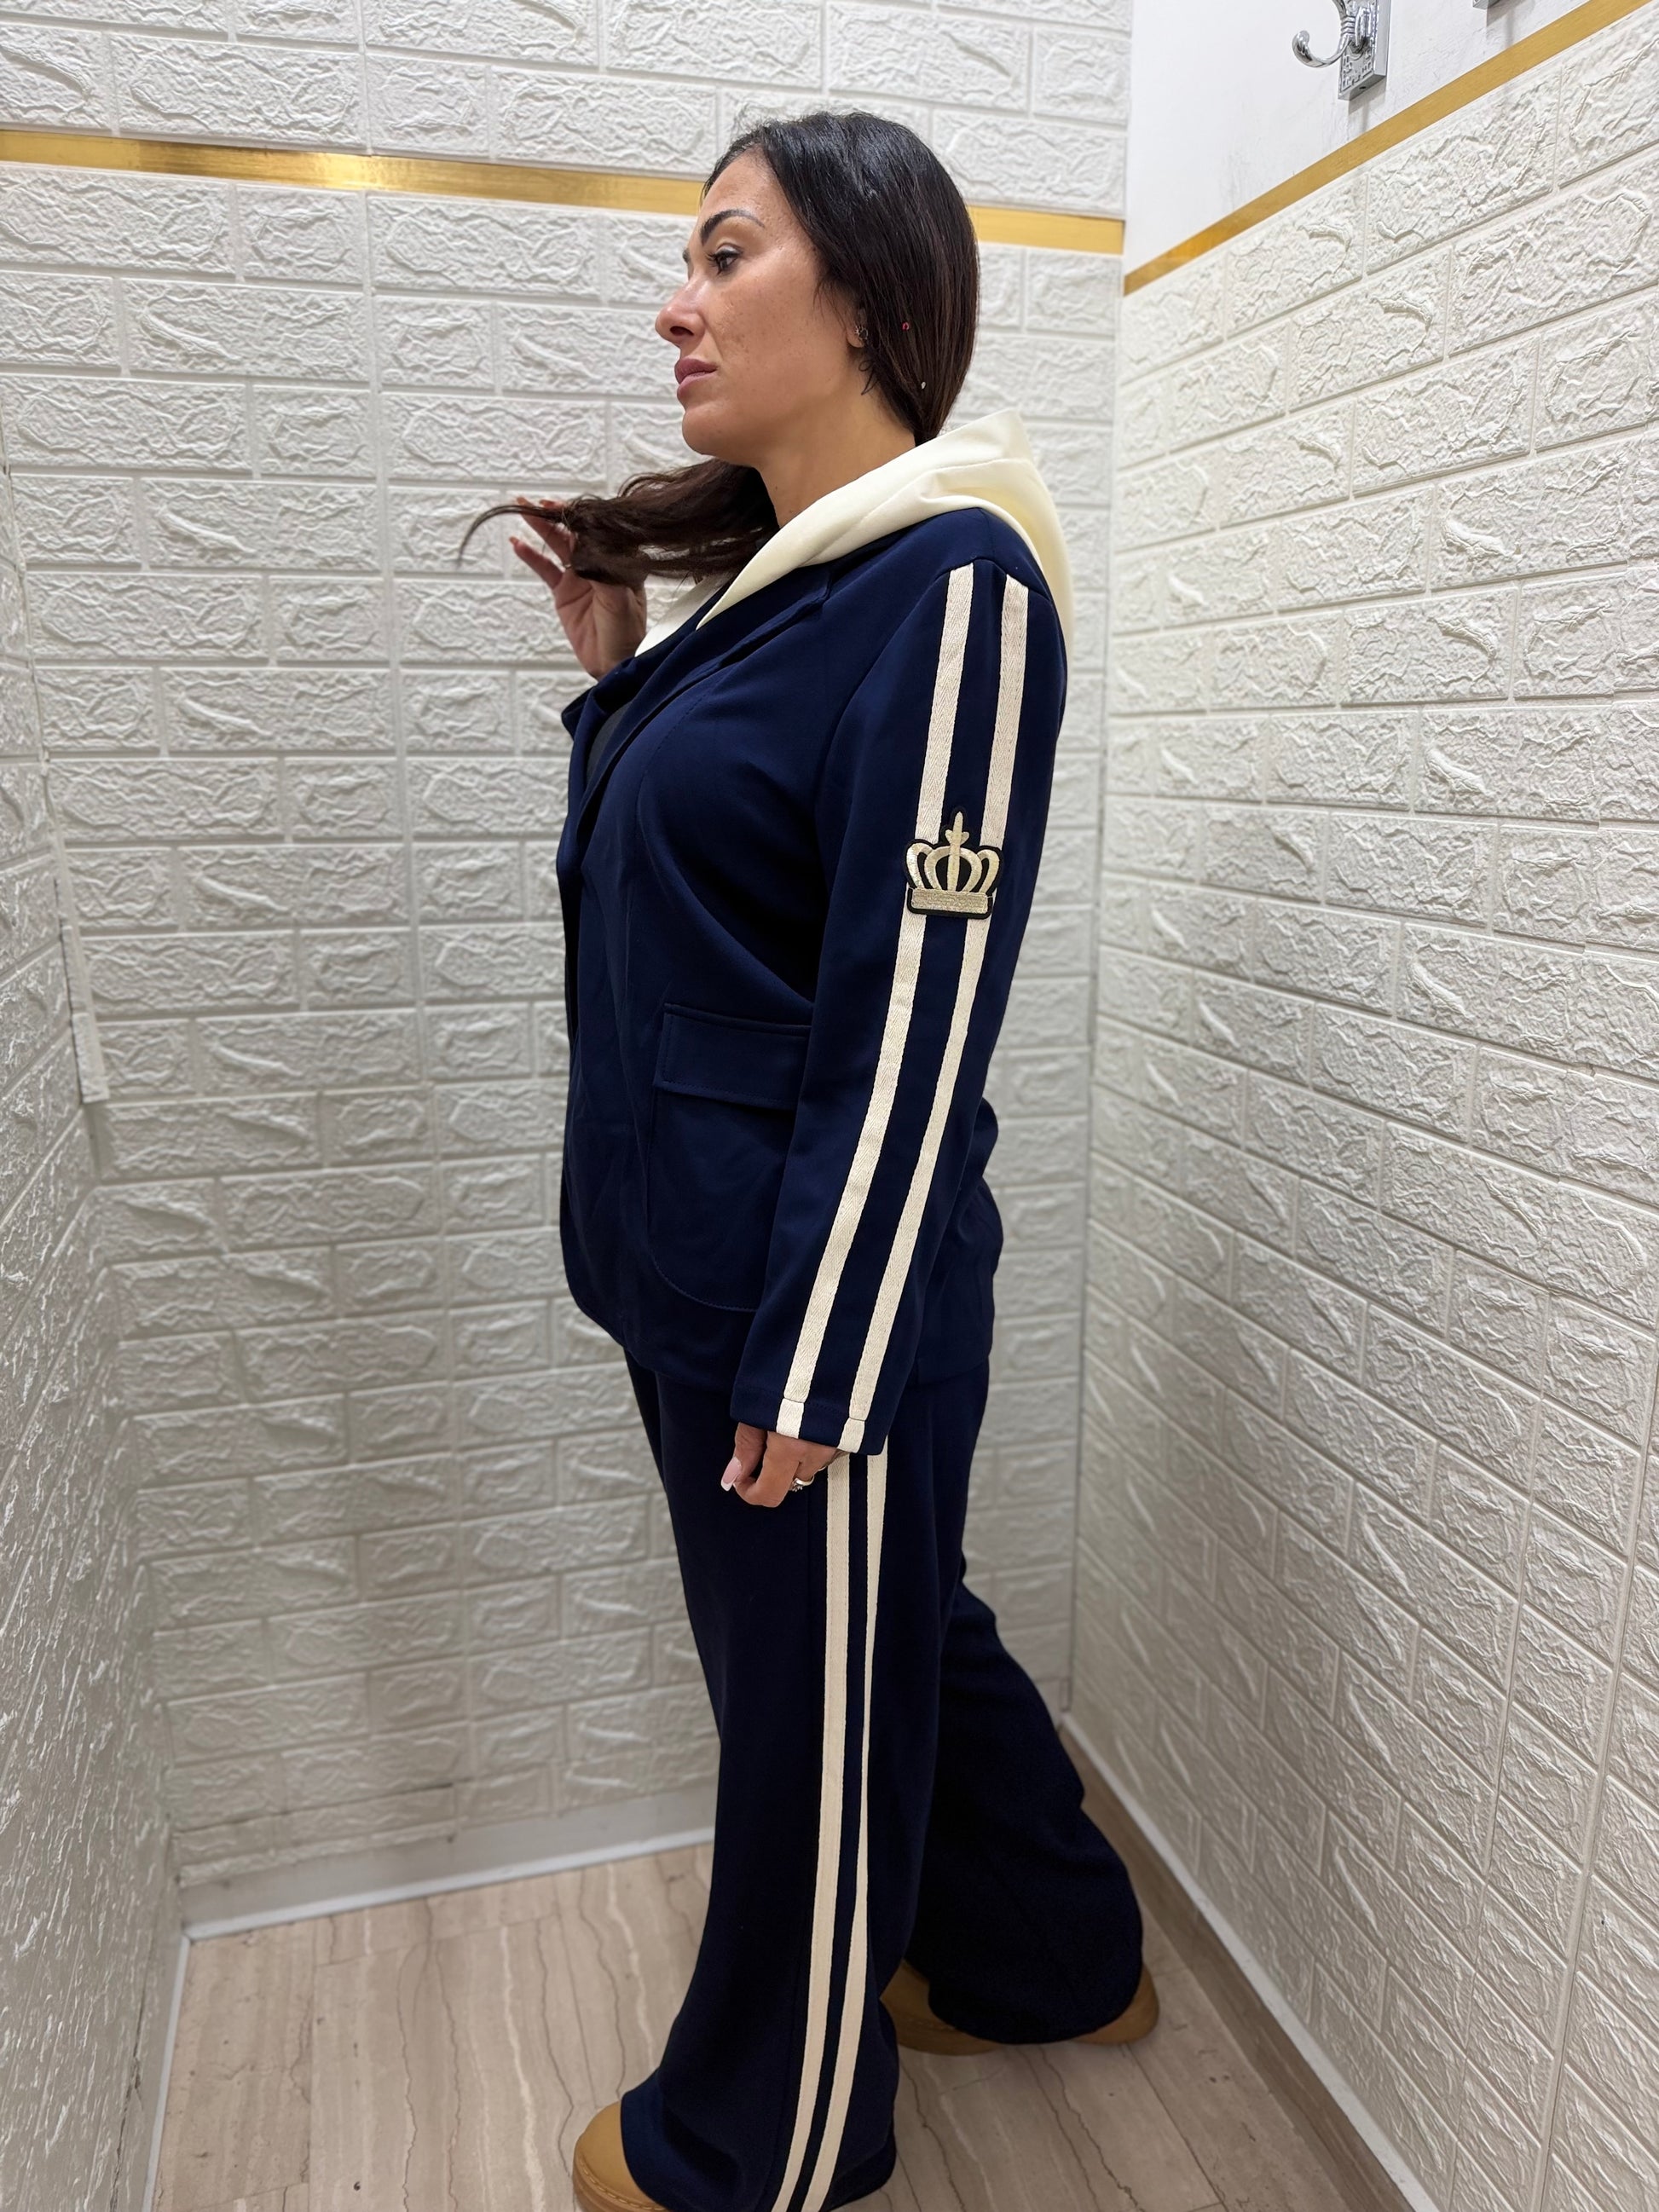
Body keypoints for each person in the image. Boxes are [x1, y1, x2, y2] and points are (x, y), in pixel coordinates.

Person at [473, 107, 1152, 2212]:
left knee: (810, 1721)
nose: (674, 306)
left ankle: (776, 2132)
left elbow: (918, 1014)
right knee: (879, 1636)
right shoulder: (791, 594)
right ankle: (1052, 1954)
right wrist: (615, 679)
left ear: (864, 298)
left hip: (807, 1301)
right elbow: (693, 891)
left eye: (723, 253)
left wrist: (825, 1354)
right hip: (705, 1263)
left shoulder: (960, 588)